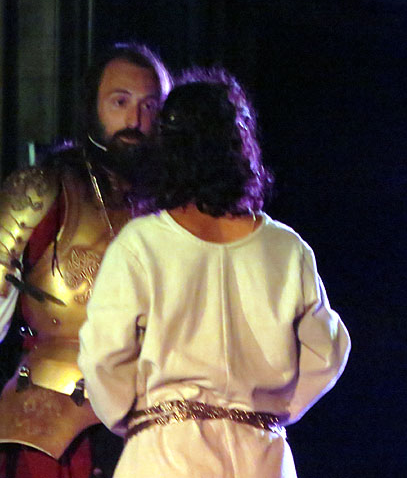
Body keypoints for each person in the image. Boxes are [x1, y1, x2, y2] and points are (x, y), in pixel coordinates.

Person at [78, 69, 351, 477]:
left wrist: (135, 416)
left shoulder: (141, 245)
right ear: (240, 148)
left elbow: (105, 356)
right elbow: (327, 351)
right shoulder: (286, 249)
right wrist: (273, 410)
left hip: (166, 456)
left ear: (169, 151)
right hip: (261, 458)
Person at [0, 42, 172, 478]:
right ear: (93, 107)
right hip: (50, 433)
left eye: (149, 106)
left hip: (156, 426)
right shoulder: (42, 190)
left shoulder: (175, 204)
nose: (135, 121)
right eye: (120, 102)